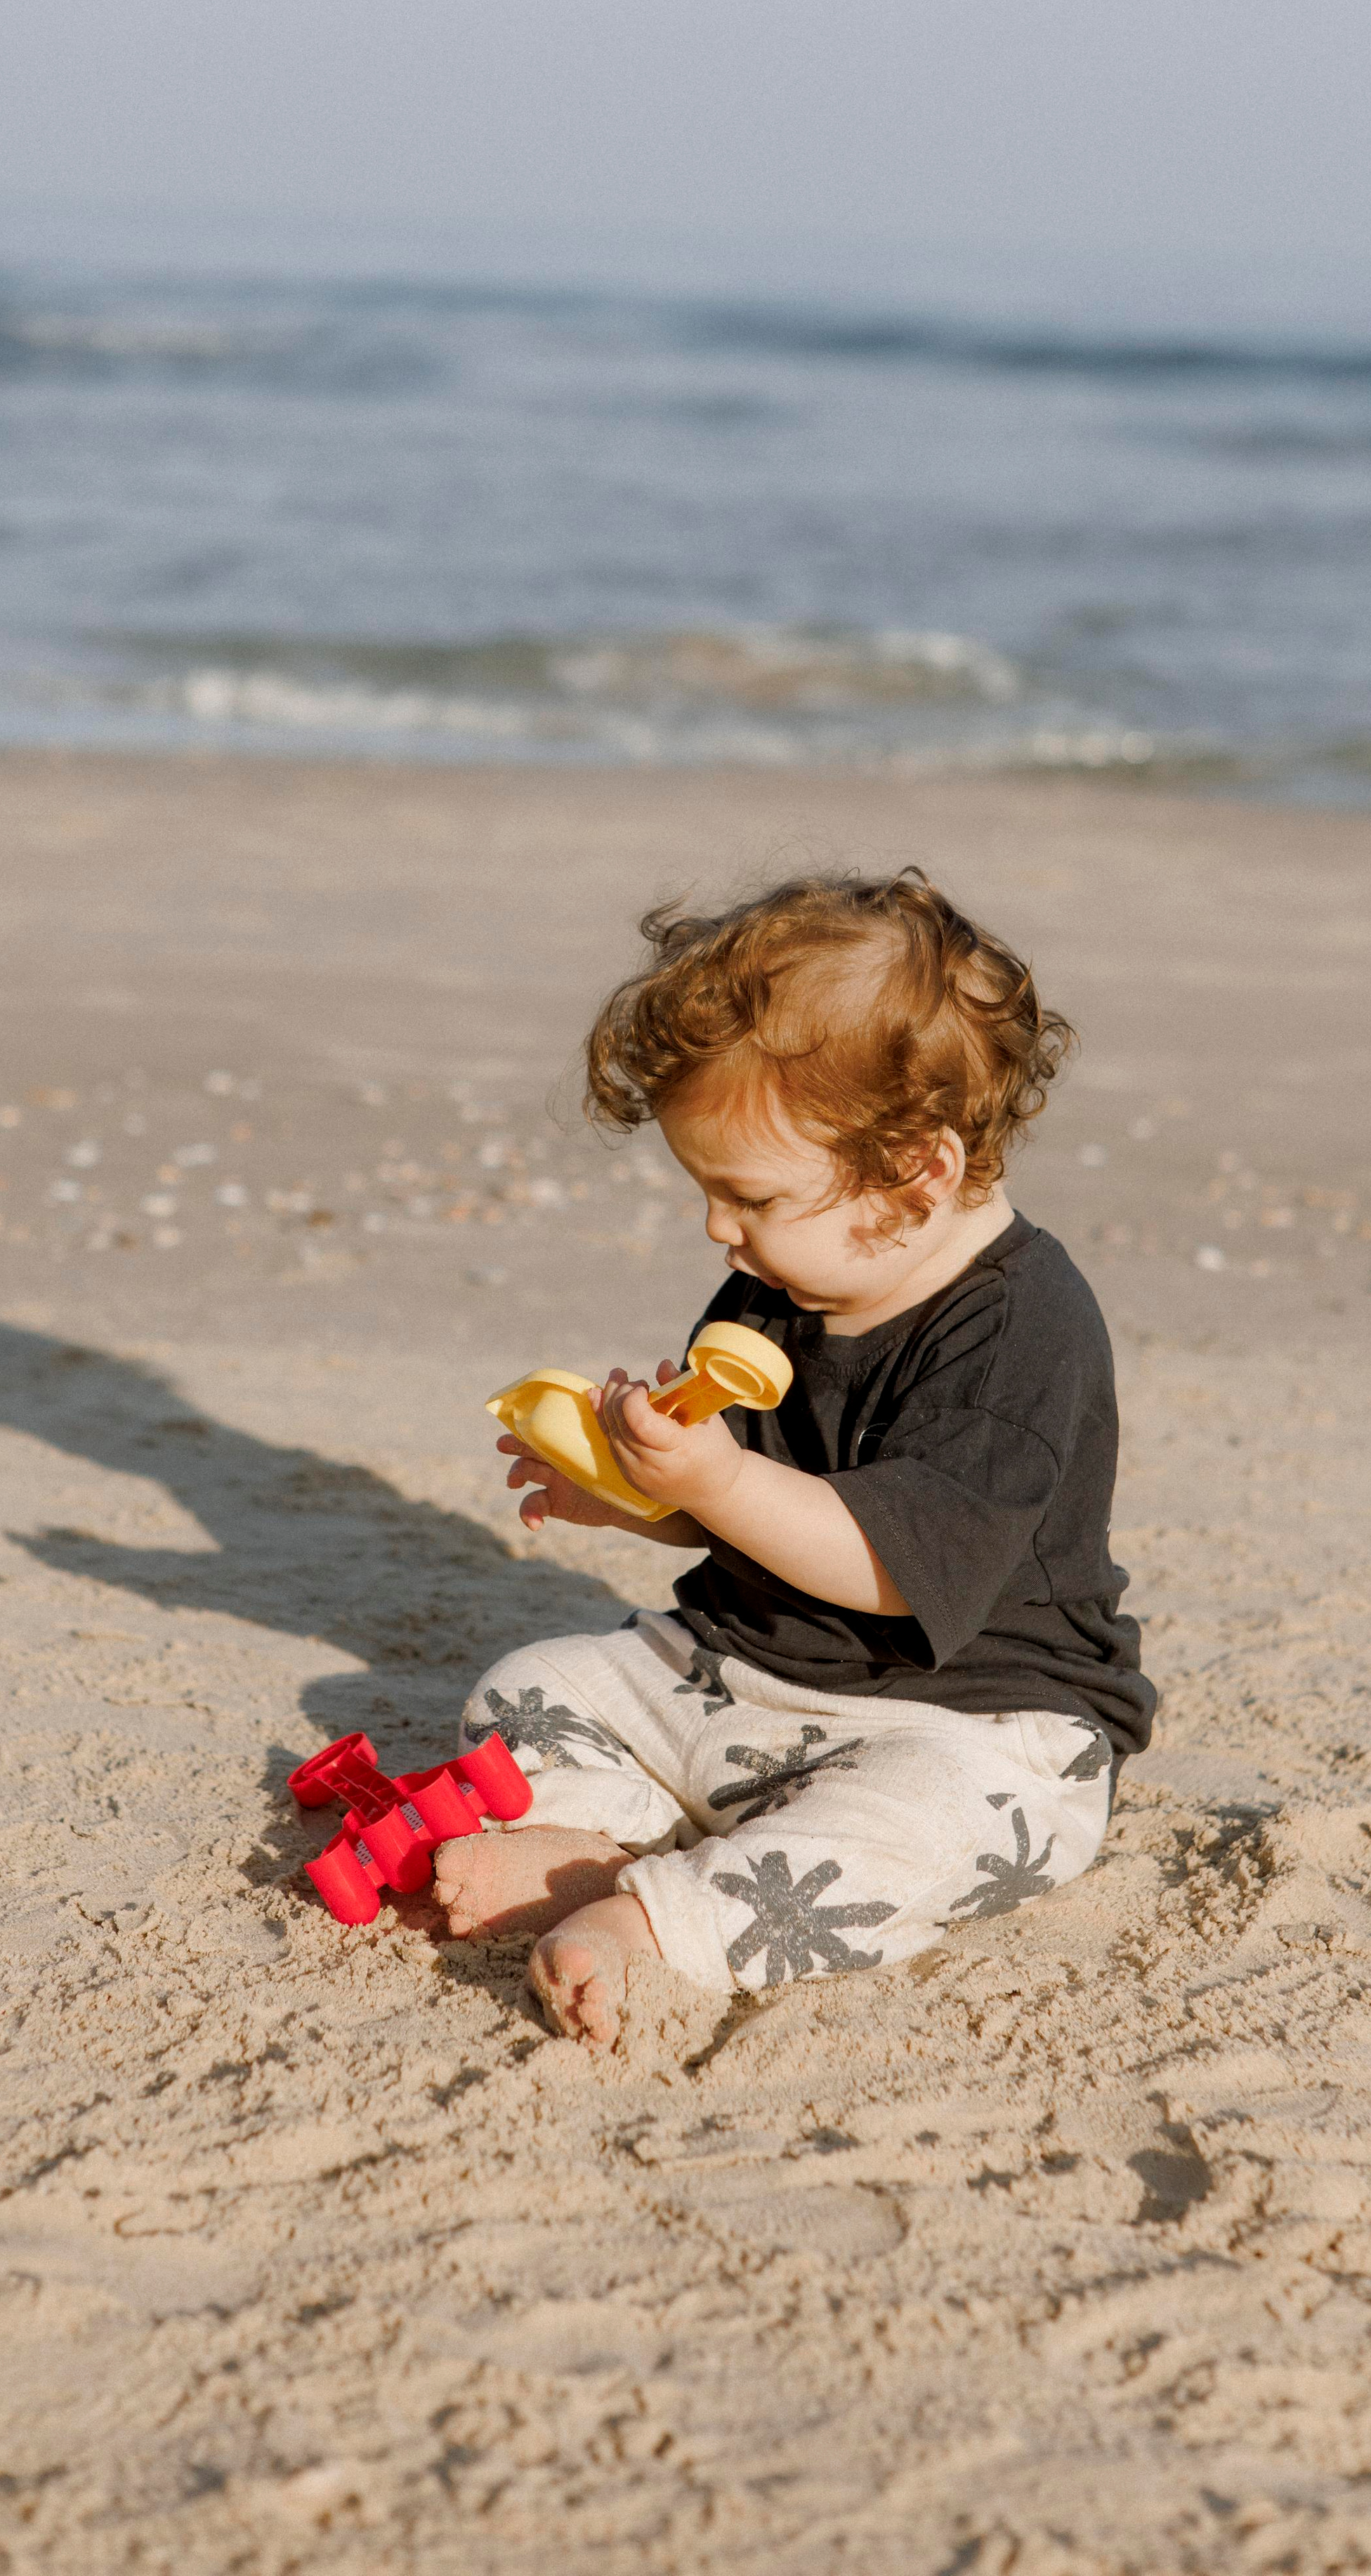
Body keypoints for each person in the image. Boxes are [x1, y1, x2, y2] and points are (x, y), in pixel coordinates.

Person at [436, 869, 1151, 2045]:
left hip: (964, 1719)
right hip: (748, 1677)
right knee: (531, 1690)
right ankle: (605, 1845)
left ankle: (650, 1921)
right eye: (708, 1191)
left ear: (914, 1173)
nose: (720, 1228)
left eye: (750, 1195)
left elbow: (885, 1567)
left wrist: (714, 1480)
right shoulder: (774, 1286)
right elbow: (752, 1506)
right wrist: (641, 1498)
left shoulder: (1024, 1332)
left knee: (922, 1832)